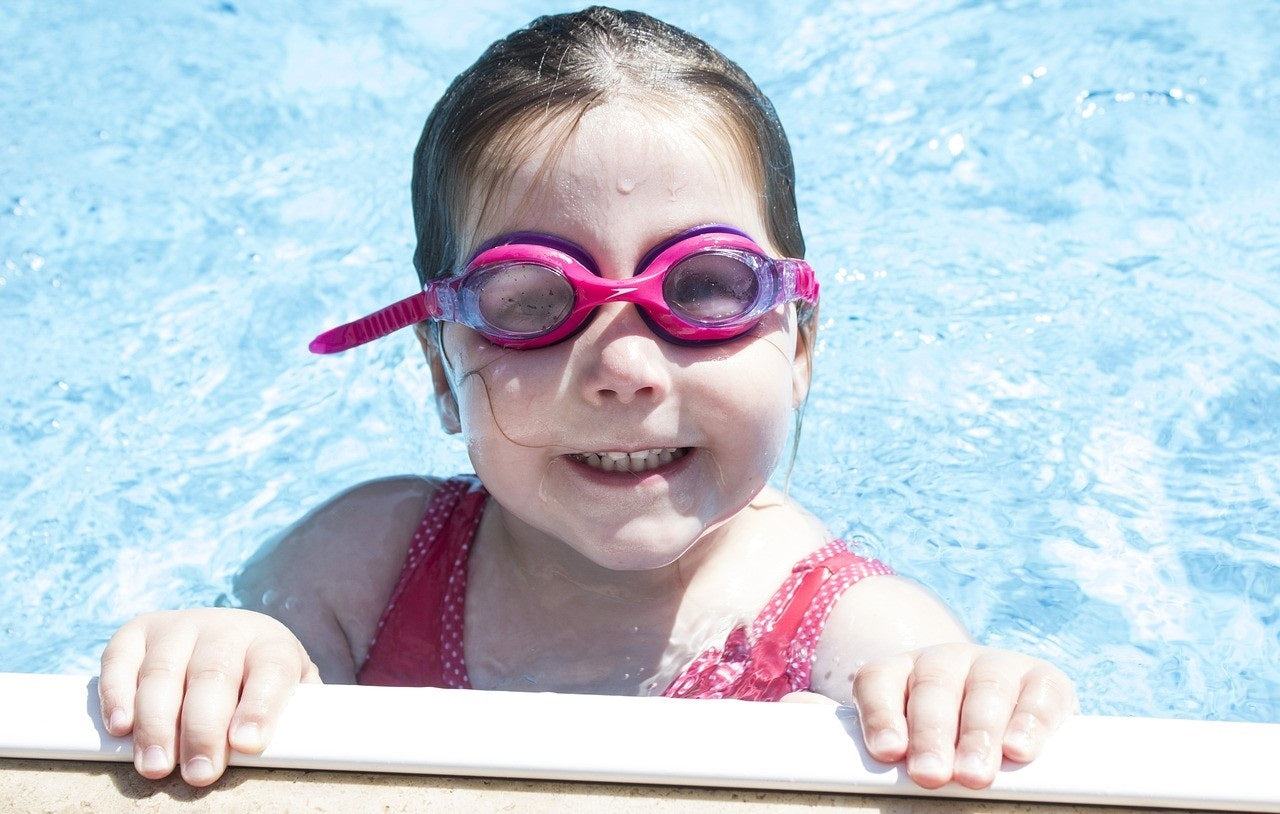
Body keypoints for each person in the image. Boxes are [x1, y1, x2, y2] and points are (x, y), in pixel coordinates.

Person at [98, 6, 1075, 791]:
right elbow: (245, 659)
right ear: (441, 371)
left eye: (705, 288)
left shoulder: (855, 639)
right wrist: (229, 653)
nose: (625, 366)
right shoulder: (362, 567)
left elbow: (947, 716)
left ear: (801, 348)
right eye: (531, 302)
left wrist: (958, 698)